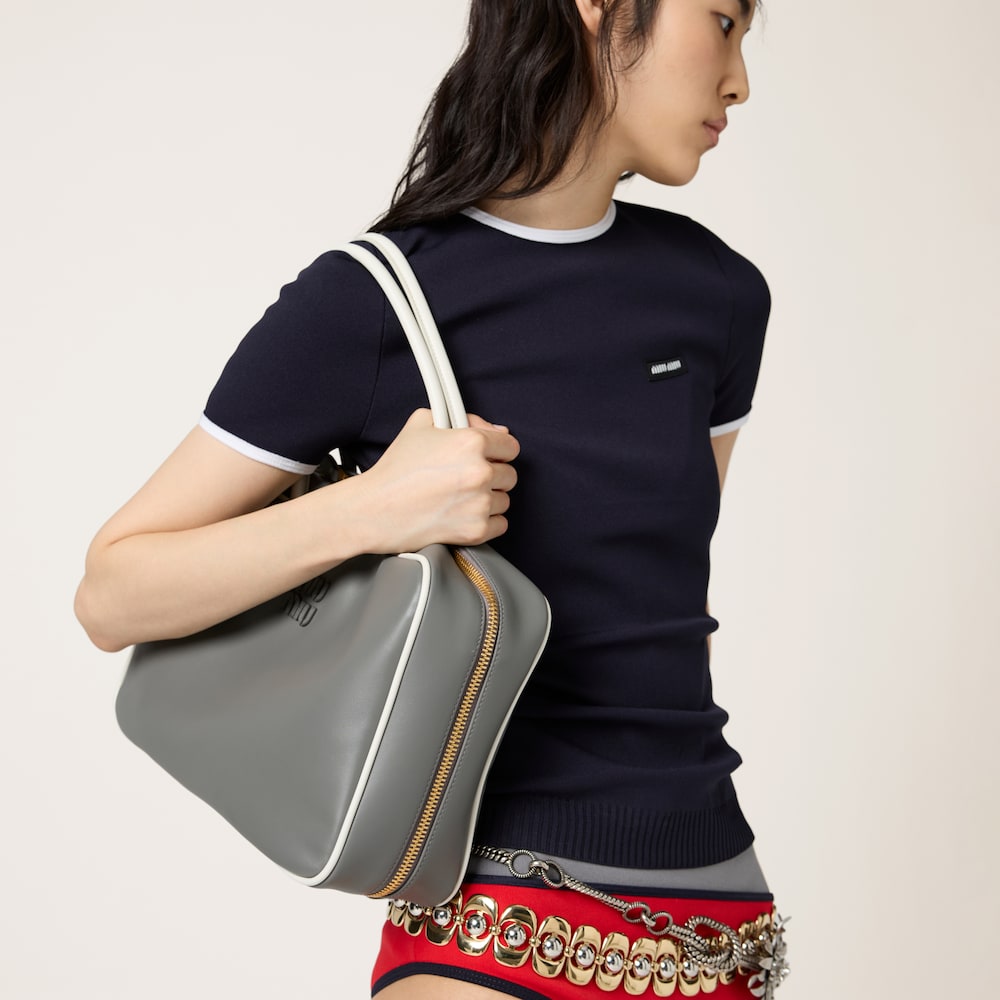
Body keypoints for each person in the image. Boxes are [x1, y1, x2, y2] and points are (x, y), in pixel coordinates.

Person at [76, 0, 790, 997]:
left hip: (717, 909)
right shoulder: (377, 299)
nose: (738, 79)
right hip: (490, 917)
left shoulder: (718, 296)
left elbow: (667, 606)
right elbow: (111, 593)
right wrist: (368, 509)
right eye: (721, 20)